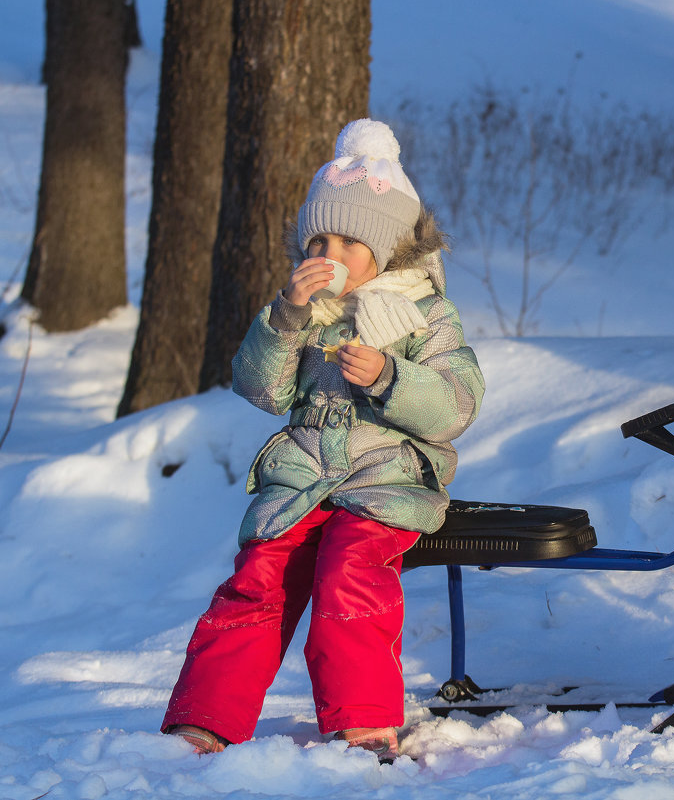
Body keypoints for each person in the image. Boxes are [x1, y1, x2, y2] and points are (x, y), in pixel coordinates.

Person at [161, 119, 485, 760]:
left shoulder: (426, 314)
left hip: (388, 478)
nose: (329, 255)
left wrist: (393, 377)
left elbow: (456, 403)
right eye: (320, 239)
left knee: (349, 573)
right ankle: (205, 718)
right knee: (259, 576)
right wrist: (283, 319)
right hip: (305, 475)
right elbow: (262, 390)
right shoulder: (301, 311)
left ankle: (364, 720)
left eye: (350, 242)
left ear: (388, 249)